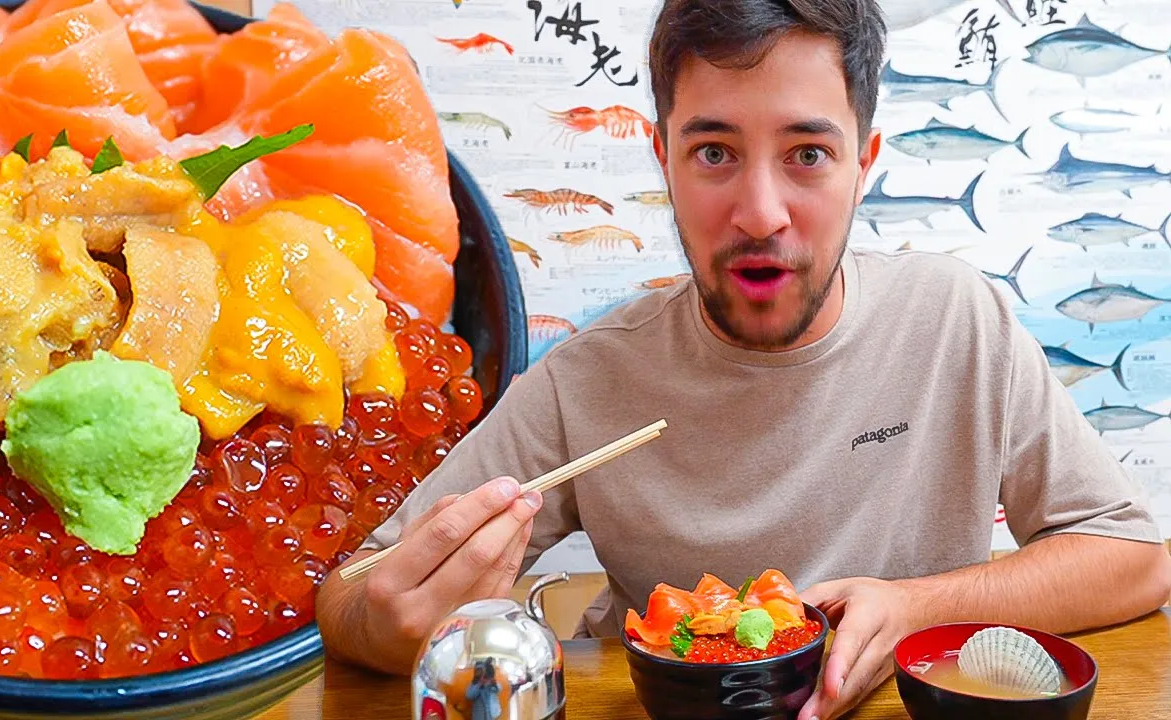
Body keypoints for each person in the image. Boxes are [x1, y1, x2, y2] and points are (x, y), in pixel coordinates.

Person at [315, 0, 1171, 717]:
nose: (761, 213)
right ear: (664, 160)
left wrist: (918, 604)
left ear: (863, 165)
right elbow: (350, 591)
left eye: (808, 155)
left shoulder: (955, 320)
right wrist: (389, 625)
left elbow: (1133, 558)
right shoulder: (592, 378)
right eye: (715, 153)